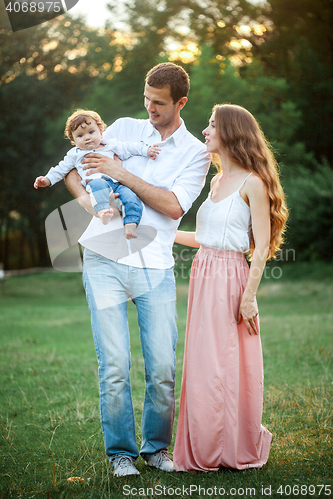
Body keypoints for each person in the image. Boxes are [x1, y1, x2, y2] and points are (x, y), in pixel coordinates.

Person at [63, 63, 211, 477]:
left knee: (162, 365)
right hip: (103, 259)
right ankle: (121, 453)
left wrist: (120, 173)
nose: (149, 107)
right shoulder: (124, 127)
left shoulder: (195, 153)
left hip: (155, 266)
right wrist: (89, 204)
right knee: (113, 365)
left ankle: (157, 448)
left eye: (158, 102)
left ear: (180, 102)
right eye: (146, 97)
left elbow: (174, 206)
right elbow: (75, 168)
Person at [173, 103, 288, 472]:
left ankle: (232, 444)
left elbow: (261, 248)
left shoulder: (252, 182)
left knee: (228, 363)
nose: (205, 132)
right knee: (203, 362)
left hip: (232, 279)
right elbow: (206, 238)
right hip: (203, 273)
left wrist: (249, 297)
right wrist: (162, 235)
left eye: (211, 126)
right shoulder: (216, 180)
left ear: (230, 132)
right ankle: (205, 445)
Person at [34, 109, 160, 239]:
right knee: (99, 185)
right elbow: (61, 169)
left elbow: (130, 147)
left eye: (91, 132)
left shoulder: (110, 145)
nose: (87, 137)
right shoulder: (75, 154)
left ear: (101, 131)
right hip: (95, 183)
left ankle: (130, 226)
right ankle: (102, 212)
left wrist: (147, 150)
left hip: (117, 184)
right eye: (80, 136)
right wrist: (47, 179)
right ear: (73, 139)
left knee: (131, 197)